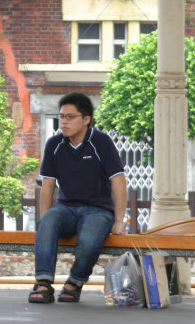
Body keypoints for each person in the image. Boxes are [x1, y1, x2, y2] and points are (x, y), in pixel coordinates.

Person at [28, 93, 127, 304]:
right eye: (61, 116)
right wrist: (47, 220)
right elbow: (48, 185)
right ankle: (43, 283)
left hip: (98, 210)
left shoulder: (101, 142)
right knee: (46, 221)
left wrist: (119, 221)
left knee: (89, 241)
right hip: (66, 208)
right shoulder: (54, 144)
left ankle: (74, 283)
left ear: (86, 119)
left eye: (70, 117)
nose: (64, 121)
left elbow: (118, 181)